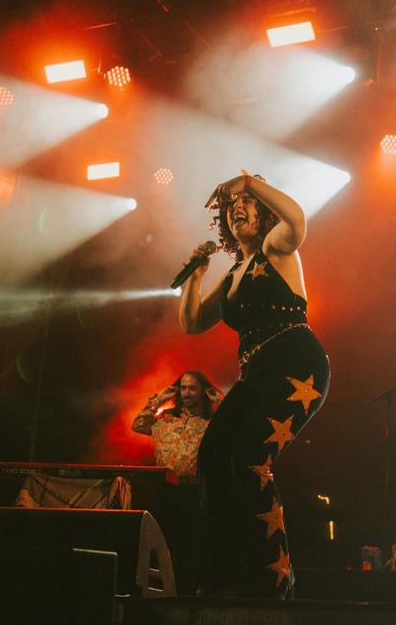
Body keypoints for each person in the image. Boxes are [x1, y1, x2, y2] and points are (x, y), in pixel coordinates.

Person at [178, 170, 330, 597]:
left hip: (296, 364)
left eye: (245, 204)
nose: (235, 210)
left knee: (249, 457)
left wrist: (247, 182)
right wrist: (195, 276)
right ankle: (224, 574)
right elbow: (192, 322)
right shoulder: (232, 276)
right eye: (229, 207)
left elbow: (298, 220)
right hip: (256, 374)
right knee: (212, 456)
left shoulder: (276, 248)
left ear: (263, 213)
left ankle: (273, 580)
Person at [132, 370, 223, 595]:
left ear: (202, 391)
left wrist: (220, 401)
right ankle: (159, 590)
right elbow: (138, 424)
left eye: (192, 388)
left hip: (193, 491)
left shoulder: (211, 423)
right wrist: (159, 399)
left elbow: (233, 429)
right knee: (161, 542)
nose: (186, 393)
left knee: (191, 545)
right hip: (165, 490)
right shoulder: (165, 419)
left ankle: (188, 592)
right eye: (183, 388)